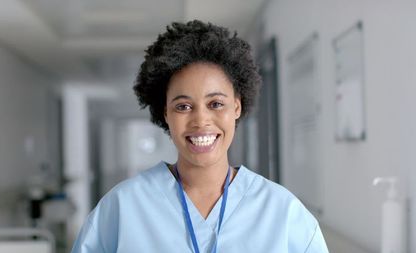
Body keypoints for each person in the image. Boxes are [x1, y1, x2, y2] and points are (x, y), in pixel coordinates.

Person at [71, 20, 329, 253]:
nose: (201, 120)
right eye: (183, 106)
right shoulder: (123, 208)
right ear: (165, 113)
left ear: (236, 107)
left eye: (215, 103)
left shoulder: (282, 212)